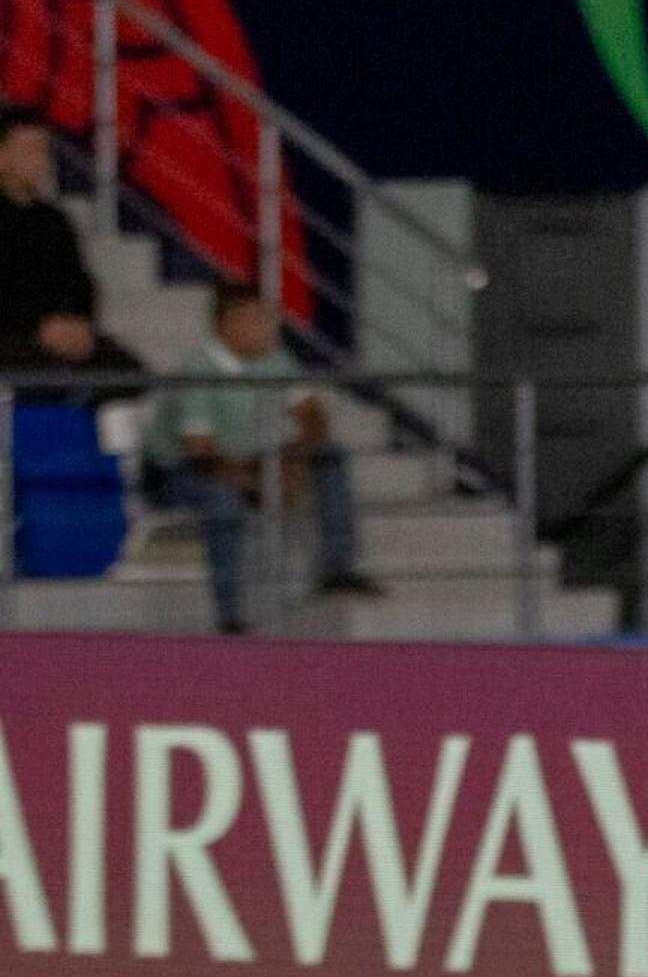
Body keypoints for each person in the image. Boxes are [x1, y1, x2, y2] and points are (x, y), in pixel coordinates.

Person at [148, 283, 376, 633]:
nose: (268, 328)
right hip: (181, 470)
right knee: (222, 502)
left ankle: (337, 567)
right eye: (255, 320)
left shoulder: (276, 360)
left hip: (248, 457)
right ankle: (229, 615)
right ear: (224, 325)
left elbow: (314, 417)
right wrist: (260, 483)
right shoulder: (200, 372)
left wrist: (292, 465)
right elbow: (201, 454)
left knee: (330, 455)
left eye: (268, 319)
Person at [0, 107, 128, 369]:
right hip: (14, 337)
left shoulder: (55, 221)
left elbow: (79, 283)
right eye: (31, 149)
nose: (41, 160)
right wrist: (38, 327)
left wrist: (77, 323)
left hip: (58, 336)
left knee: (125, 369)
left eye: (45, 150)